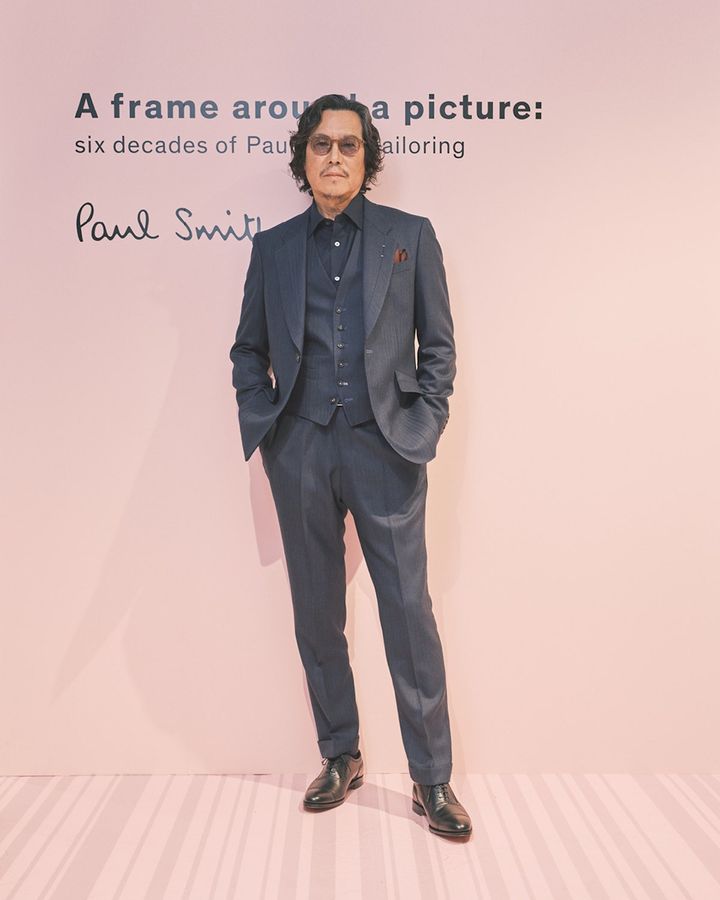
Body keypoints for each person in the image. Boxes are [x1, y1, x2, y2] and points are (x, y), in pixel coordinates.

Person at [229, 93, 471, 839]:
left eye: (348, 145)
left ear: (367, 159)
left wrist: (423, 424)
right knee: (316, 612)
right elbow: (248, 350)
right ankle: (341, 754)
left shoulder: (410, 236)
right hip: (300, 446)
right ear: (303, 158)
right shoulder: (272, 249)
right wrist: (268, 426)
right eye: (322, 145)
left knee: (407, 612)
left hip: (385, 446)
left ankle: (432, 778)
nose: (334, 157)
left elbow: (438, 348)